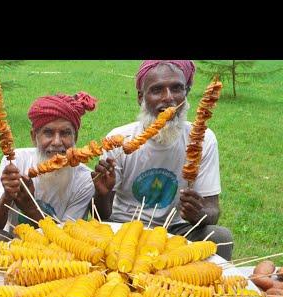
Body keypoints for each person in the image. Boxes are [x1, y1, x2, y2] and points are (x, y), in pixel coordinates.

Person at [92, 60, 234, 261]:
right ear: (141, 97)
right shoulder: (119, 141)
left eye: (177, 88)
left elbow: (212, 211)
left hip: (176, 230)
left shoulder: (202, 138)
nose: (169, 98)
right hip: (124, 227)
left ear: (186, 93)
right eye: (157, 90)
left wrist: (199, 213)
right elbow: (101, 216)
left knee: (221, 237)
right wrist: (101, 194)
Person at [0, 92, 97, 240]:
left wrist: (30, 208)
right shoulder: (16, 161)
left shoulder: (85, 179)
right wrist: (7, 196)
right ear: (33, 137)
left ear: (75, 137)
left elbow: (65, 240)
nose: (57, 142)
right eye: (48, 133)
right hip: (11, 247)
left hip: (55, 256)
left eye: (65, 133)